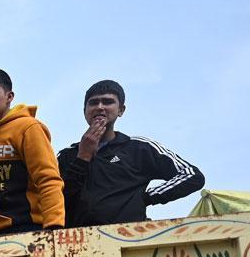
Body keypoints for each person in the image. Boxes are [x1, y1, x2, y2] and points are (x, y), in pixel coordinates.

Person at [59, 80, 205, 227]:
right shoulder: (66, 156)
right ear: (85, 111)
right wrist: (83, 157)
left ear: (121, 110)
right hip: (76, 241)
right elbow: (53, 199)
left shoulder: (138, 148)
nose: (100, 107)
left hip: (131, 239)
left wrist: (145, 198)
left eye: (108, 102)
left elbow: (191, 175)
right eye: (93, 103)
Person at [0, 68, 65, 235]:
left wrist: (54, 228)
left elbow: (48, 178)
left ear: (9, 97)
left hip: (26, 229)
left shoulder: (28, 128)